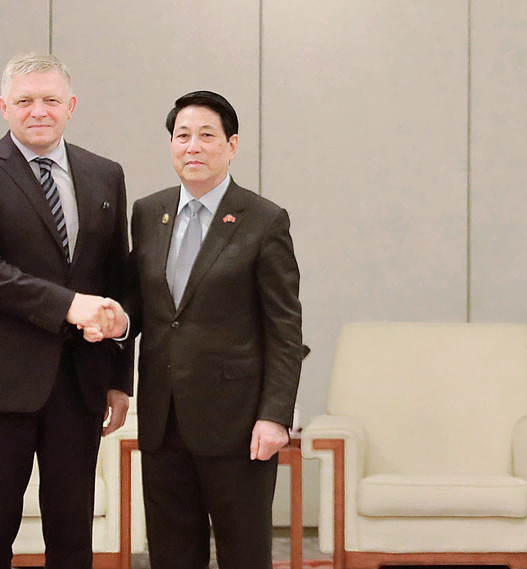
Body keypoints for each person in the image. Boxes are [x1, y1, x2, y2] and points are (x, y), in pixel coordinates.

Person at [0, 52, 132, 569]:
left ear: (71, 106)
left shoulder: (105, 174)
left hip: (80, 380)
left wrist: (119, 376)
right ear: (4, 107)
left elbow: (117, 280)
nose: (38, 111)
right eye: (25, 101)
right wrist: (70, 306)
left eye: (50, 100)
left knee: (73, 533)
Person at [121, 90, 303, 569]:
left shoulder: (263, 220)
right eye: (183, 136)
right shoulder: (147, 213)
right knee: (171, 555)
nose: (193, 147)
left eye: (207, 135)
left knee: (244, 555)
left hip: (240, 425)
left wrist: (275, 414)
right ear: (171, 145)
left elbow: (284, 327)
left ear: (232, 144)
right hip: (163, 419)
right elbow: (141, 307)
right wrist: (113, 322)